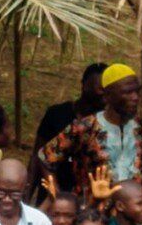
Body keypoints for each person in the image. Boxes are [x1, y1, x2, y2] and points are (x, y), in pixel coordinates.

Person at [37, 63, 142, 195]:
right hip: (94, 212)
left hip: (133, 212)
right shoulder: (85, 127)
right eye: (128, 92)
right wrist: (58, 198)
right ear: (108, 95)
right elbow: (45, 158)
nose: (135, 97)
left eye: (137, 91)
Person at [34, 63, 109, 195]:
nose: (105, 93)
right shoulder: (57, 114)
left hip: (87, 195)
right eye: (100, 88)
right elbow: (39, 155)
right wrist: (30, 192)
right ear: (85, 85)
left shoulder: (107, 124)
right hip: (53, 191)